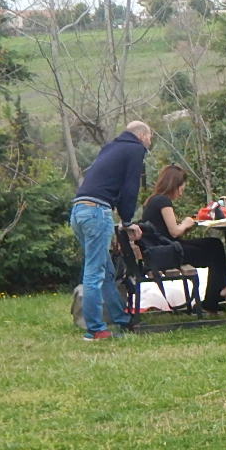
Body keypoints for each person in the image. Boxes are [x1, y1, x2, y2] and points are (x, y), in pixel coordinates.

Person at [69, 120, 150, 340]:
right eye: (150, 138)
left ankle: (122, 319)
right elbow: (130, 187)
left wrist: (124, 220)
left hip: (79, 211)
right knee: (94, 273)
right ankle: (95, 330)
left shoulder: (110, 147)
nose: (149, 143)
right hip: (96, 212)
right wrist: (127, 220)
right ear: (142, 136)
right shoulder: (135, 148)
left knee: (105, 271)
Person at [139, 164, 226, 312]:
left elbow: (166, 232)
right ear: (174, 185)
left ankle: (223, 289)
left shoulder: (152, 200)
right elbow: (174, 232)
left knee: (214, 244)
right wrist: (186, 223)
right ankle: (214, 299)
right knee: (214, 251)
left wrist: (186, 226)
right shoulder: (163, 201)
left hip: (162, 249)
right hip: (169, 252)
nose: (181, 193)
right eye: (181, 188)